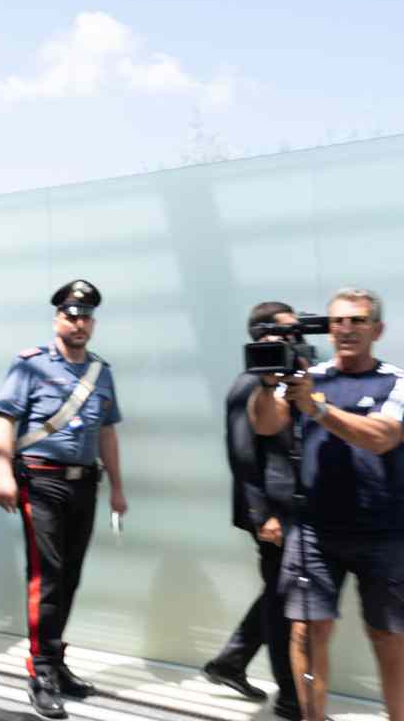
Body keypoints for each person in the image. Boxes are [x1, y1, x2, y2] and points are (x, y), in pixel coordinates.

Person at [250, 287, 404, 721]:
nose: (346, 329)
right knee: (307, 632)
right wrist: (268, 385)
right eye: (338, 321)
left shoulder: (395, 380)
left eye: (358, 321)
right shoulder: (308, 377)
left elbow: (382, 437)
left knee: (388, 636)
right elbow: (265, 425)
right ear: (329, 328)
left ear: (378, 329)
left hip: (384, 531)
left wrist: (318, 410)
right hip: (315, 531)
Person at [0, 279, 127, 719]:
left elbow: (107, 432)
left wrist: (118, 488)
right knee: (46, 577)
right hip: (41, 482)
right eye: (71, 315)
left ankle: (55, 659)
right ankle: (41, 670)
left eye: (86, 317)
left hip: (85, 483)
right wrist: (2, 472)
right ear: (57, 319)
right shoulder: (30, 364)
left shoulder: (101, 372)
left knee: (69, 577)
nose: (79, 323)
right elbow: (5, 419)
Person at [201, 302, 301, 717]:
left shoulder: (288, 381)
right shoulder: (248, 385)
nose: (295, 338)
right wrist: (265, 517)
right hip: (273, 514)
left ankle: (230, 662)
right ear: (264, 335)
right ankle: (291, 699)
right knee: (283, 603)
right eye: (288, 331)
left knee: (281, 593)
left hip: (293, 510)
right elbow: (243, 457)